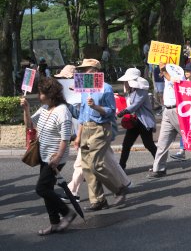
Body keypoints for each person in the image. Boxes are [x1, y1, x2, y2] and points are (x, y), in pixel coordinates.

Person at [20, 77, 76, 236]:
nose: (39, 96)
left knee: (41, 188)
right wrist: (26, 109)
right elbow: (30, 125)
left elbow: (65, 138)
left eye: (41, 93)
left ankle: (67, 213)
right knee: (47, 189)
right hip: (44, 155)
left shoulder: (62, 111)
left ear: (50, 94)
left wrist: (58, 157)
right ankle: (55, 224)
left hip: (55, 157)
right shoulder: (45, 107)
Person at [74, 58, 129, 211]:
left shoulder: (106, 88)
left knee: (95, 164)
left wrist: (96, 107)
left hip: (100, 128)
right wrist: (78, 135)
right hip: (86, 128)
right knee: (86, 166)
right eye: (83, 70)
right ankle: (98, 200)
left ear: (96, 71)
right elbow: (83, 113)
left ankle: (119, 188)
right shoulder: (85, 86)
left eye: (87, 69)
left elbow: (112, 111)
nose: (84, 72)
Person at [116, 68, 157, 170]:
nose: (126, 83)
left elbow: (135, 105)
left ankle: (159, 163)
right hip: (134, 122)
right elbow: (129, 101)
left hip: (144, 121)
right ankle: (121, 167)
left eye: (128, 81)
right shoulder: (131, 90)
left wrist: (123, 112)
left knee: (149, 144)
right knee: (126, 144)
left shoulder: (142, 91)